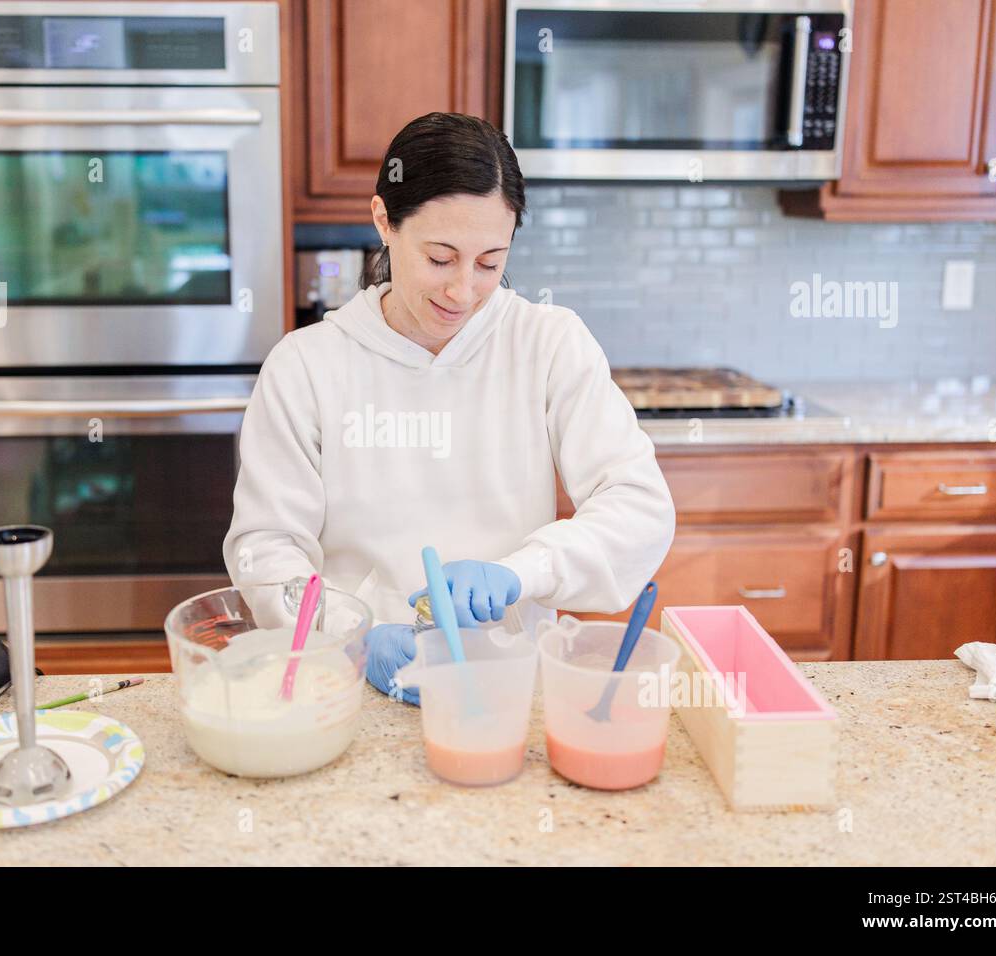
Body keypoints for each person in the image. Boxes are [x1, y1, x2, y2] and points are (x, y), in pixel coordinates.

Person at [222, 112, 674, 704]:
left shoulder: (548, 344)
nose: (463, 290)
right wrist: (352, 636)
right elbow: (265, 547)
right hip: (347, 688)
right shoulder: (306, 365)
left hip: (510, 691)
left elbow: (637, 508)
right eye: (440, 258)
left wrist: (520, 574)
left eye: (490, 263)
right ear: (385, 220)